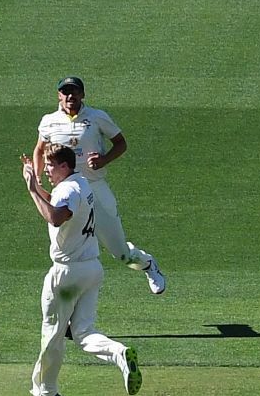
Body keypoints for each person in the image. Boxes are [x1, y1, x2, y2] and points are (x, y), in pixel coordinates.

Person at [19, 144, 141, 396]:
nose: (47, 171)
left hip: (67, 274)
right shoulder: (81, 183)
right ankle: (120, 354)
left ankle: (47, 395)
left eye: (50, 166)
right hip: (91, 269)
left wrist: (31, 191)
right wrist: (36, 183)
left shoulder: (69, 189)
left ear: (64, 166)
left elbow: (55, 216)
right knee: (84, 333)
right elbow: (56, 200)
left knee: (52, 334)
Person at [33, 75, 165, 294]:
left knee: (120, 253)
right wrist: (37, 176)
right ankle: (68, 311)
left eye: (74, 91)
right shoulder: (49, 121)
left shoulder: (96, 117)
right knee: (67, 253)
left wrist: (104, 160)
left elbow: (121, 143)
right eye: (65, 92)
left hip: (95, 188)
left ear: (82, 95)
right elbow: (39, 149)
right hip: (65, 193)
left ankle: (147, 264)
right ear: (58, 95)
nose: (70, 96)